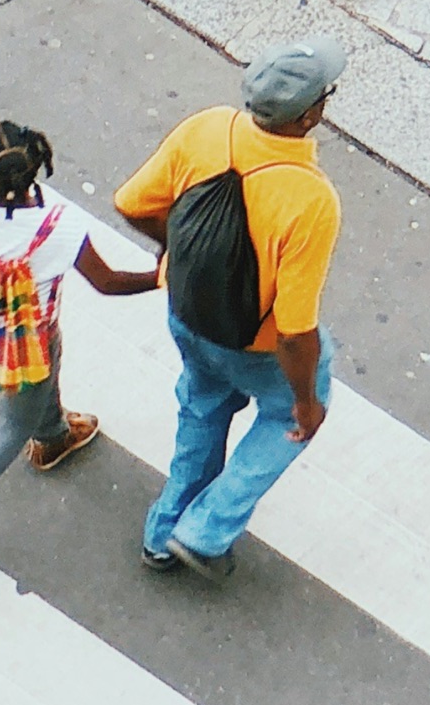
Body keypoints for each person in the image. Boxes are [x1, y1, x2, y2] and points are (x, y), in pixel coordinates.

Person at [115, 37, 347, 580]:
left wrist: (176, 251)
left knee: (203, 407)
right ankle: (204, 532)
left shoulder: (206, 128)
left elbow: (132, 203)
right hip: (254, 347)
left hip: (187, 314)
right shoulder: (311, 200)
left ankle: (161, 535)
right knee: (286, 416)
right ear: (308, 115)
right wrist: (306, 403)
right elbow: (294, 331)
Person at [0, 120, 159, 571]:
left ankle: (54, 437)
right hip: (29, 341)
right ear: (36, 168)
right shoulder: (58, 225)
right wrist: (161, 276)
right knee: (12, 423)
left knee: (41, 387)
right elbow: (107, 281)